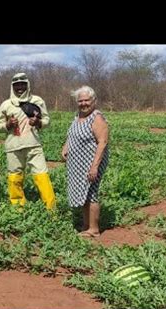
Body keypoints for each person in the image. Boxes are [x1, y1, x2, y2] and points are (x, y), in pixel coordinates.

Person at [0, 73, 56, 210]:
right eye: (17, 85)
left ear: (27, 85)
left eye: (23, 84)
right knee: (14, 178)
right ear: (12, 87)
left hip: (33, 145)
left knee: (42, 175)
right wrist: (7, 125)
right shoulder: (6, 105)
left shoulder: (37, 101)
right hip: (13, 146)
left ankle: (51, 210)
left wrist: (39, 122)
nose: (20, 87)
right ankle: (18, 209)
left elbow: (47, 120)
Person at [61, 86, 109, 237]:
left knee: (91, 192)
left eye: (86, 100)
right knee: (84, 193)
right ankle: (86, 225)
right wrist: (66, 146)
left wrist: (94, 167)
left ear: (93, 100)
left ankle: (94, 229)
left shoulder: (97, 118)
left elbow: (103, 142)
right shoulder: (78, 116)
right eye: (80, 101)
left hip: (92, 163)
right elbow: (73, 135)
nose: (83, 103)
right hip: (78, 164)